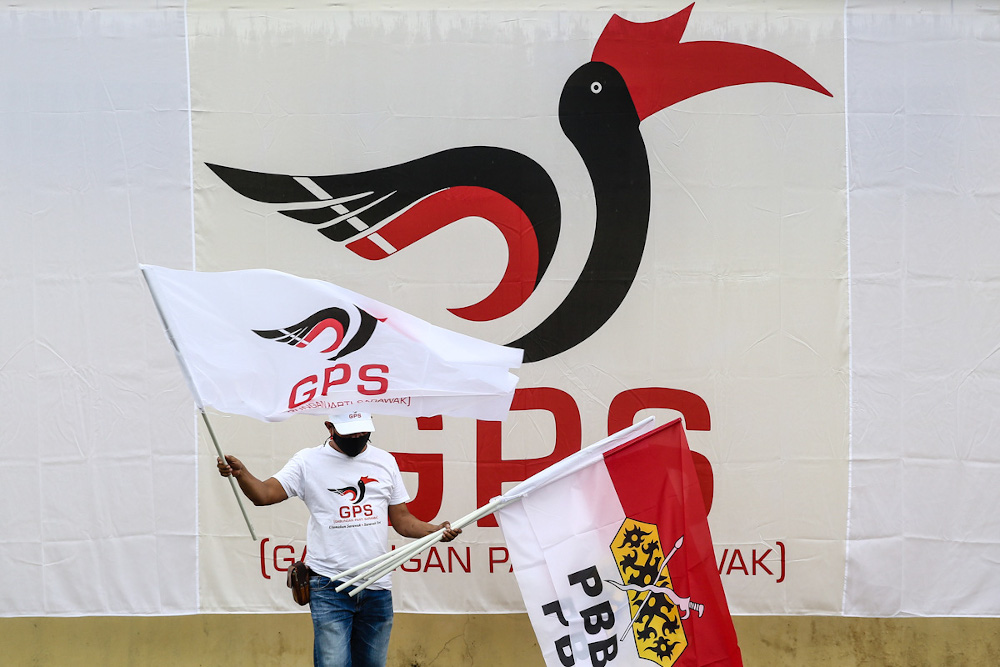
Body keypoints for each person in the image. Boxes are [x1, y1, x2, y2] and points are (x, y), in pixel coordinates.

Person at [217, 411, 461, 667]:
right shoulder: (307, 461)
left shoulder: (385, 461)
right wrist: (241, 473)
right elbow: (264, 494)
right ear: (329, 427)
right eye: (350, 431)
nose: (357, 436)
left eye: (362, 430)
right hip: (329, 586)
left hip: (377, 587)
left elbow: (402, 520)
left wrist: (435, 531)